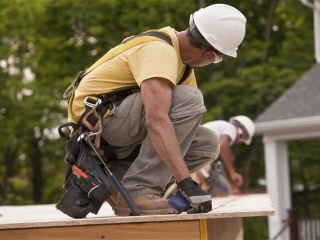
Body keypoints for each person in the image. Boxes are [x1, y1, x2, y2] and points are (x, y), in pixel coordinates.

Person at [65, 4, 247, 216]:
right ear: (209, 55)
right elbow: (157, 120)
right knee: (191, 99)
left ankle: (120, 186)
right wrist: (186, 182)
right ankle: (139, 191)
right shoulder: (160, 50)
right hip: (94, 126)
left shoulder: (183, 66)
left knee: (206, 143)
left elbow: (180, 131)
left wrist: (195, 182)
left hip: (117, 129)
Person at [191, 115, 255, 197]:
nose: (239, 142)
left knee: (223, 188)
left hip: (195, 152)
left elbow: (218, 168)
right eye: (242, 138)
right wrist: (232, 172)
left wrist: (230, 187)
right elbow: (224, 145)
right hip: (197, 153)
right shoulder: (231, 128)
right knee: (219, 188)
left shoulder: (220, 131)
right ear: (240, 132)